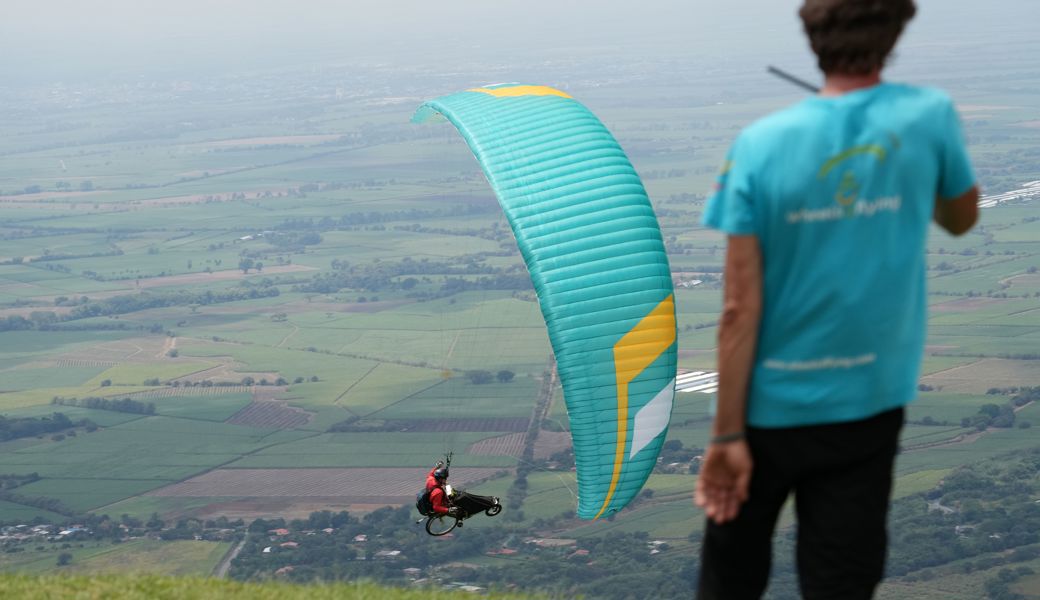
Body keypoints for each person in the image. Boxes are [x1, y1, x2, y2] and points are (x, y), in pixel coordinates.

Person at [694, 1, 978, 598]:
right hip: (868, 404)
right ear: (896, 32)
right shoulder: (929, 117)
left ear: (812, 37)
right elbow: (960, 217)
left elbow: (738, 309)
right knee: (843, 581)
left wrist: (724, 440)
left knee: (731, 576)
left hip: (766, 411)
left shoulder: (760, 144)